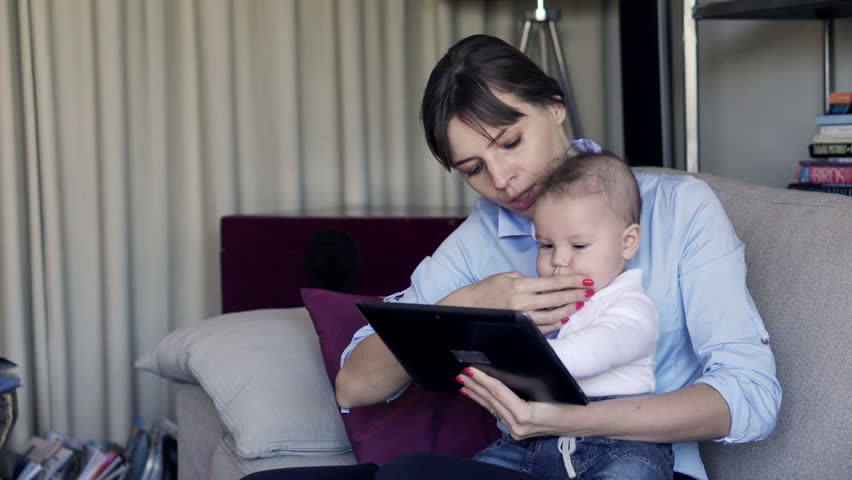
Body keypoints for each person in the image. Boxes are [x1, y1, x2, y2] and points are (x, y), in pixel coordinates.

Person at [244, 34, 780, 480]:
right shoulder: (476, 243)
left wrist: (569, 420)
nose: (501, 179)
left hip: (639, 464)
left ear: (555, 107)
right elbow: (356, 384)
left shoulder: (677, 208)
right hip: (524, 462)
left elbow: (751, 397)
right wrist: (468, 305)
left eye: (510, 142)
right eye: (474, 169)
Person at [467, 151, 672, 479]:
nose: (559, 260)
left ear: (628, 242)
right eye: (546, 245)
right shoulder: (542, 303)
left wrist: (523, 358)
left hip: (618, 444)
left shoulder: (631, 305)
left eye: (578, 246)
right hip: (533, 442)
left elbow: (601, 346)